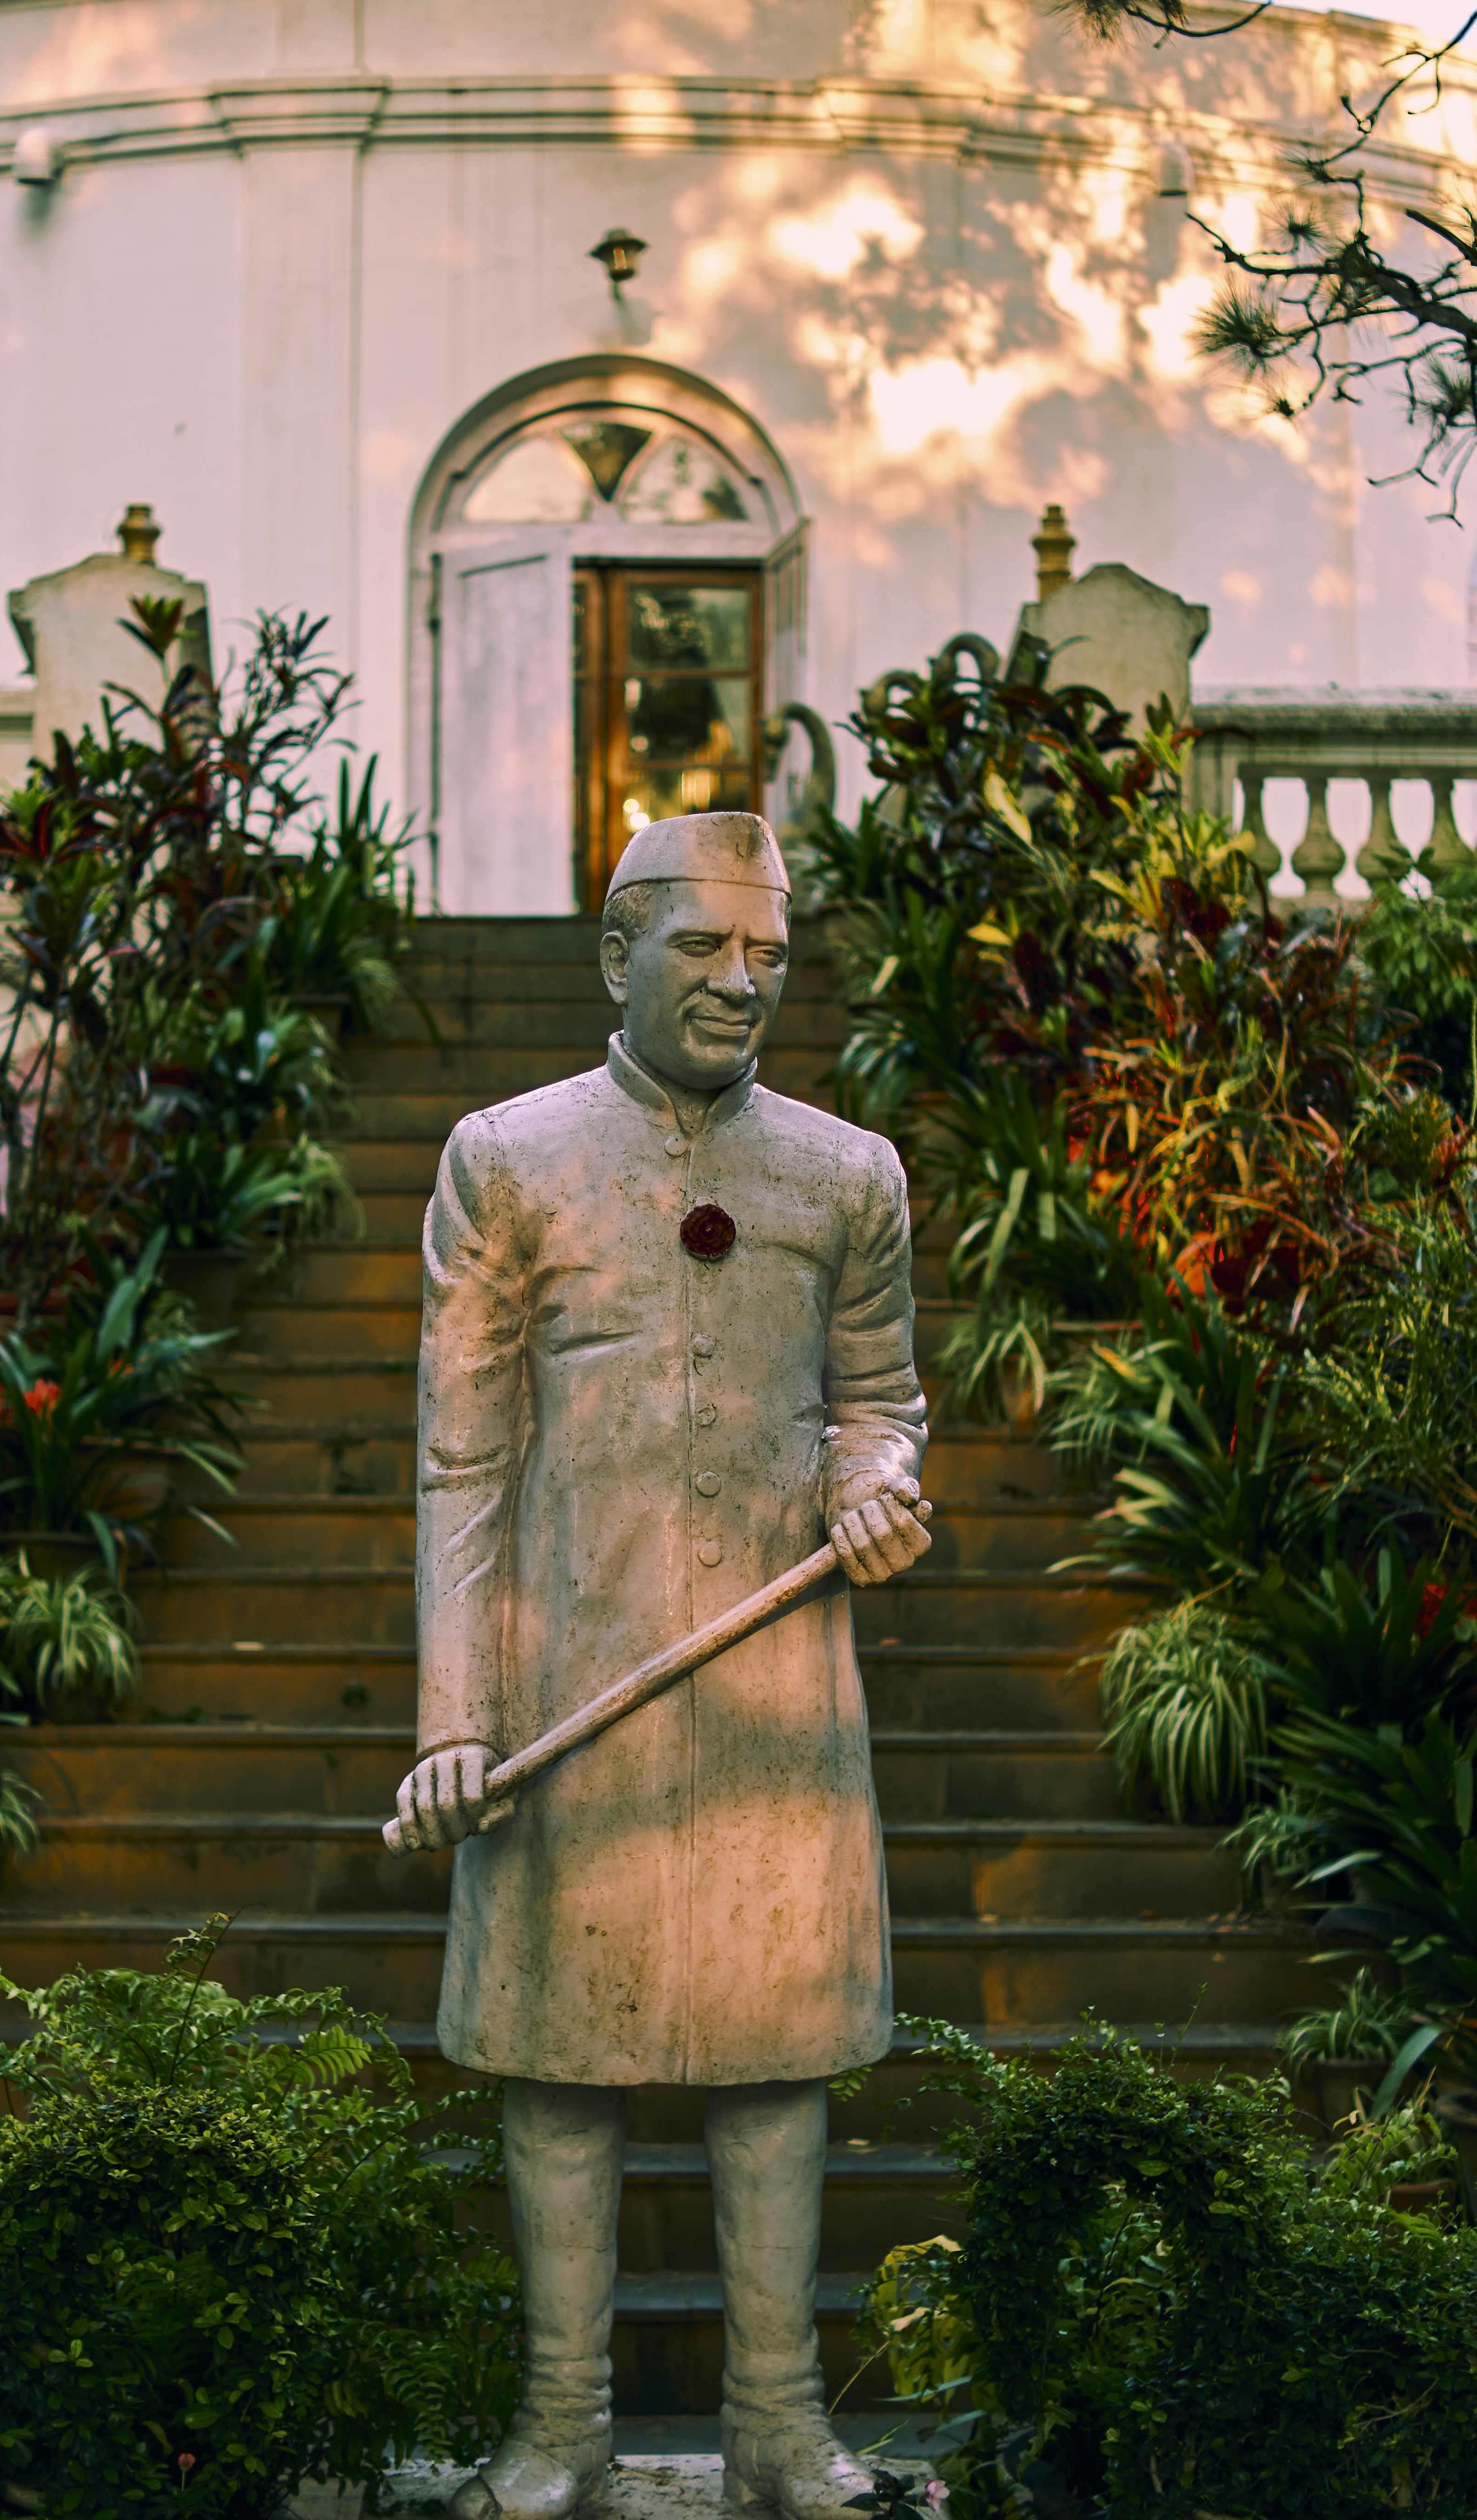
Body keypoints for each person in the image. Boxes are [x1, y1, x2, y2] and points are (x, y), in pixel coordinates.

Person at [394, 810, 931, 2520]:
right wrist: (459, 1718)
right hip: (573, 1672)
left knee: (775, 2052)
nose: (742, 980)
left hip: (775, 1680)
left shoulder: (849, 1175)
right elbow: (461, 1460)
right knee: (564, 2057)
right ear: (612, 952)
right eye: (702, 946)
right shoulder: (507, 1158)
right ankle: (562, 2427)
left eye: (767, 950)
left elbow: (880, 1399)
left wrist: (876, 1485)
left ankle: (778, 2426)